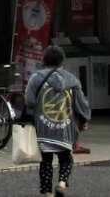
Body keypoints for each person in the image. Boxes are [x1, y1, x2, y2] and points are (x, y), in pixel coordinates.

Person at [23, 45, 90, 197]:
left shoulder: (36, 78)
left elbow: (29, 101)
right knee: (66, 159)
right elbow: (81, 104)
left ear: (44, 60)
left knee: (46, 161)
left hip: (43, 128)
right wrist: (83, 121)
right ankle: (61, 183)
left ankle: (48, 194)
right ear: (62, 61)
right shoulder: (71, 80)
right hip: (65, 128)